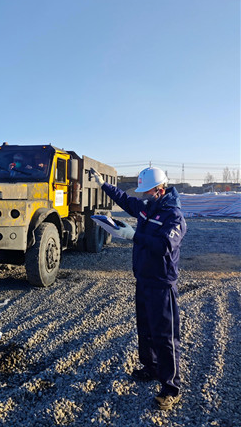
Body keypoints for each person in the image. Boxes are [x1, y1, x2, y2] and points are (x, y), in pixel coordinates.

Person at [90, 166, 187, 411]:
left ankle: (171, 388)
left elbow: (163, 245)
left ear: (161, 190)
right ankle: (151, 368)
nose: (144, 195)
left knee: (165, 337)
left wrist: (133, 235)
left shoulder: (174, 217)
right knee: (145, 329)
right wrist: (103, 184)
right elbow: (125, 200)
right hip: (143, 280)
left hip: (161, 284)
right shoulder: (146, 207)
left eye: (148, 191)